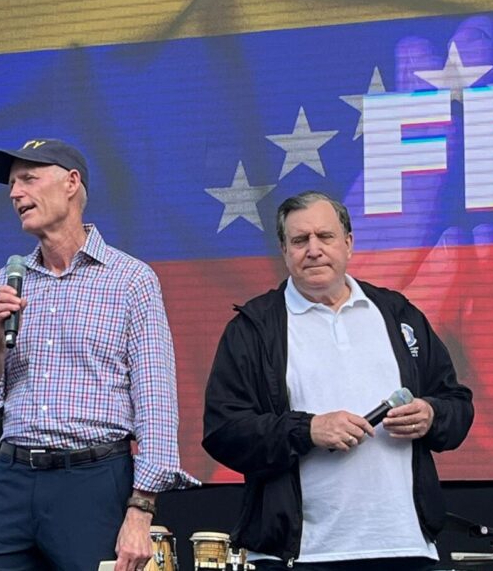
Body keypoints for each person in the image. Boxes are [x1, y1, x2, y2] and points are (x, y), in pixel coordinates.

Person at [0, 138, 198, 571]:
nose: (15, 193)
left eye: (28, 179)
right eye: (11, 184)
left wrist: (141, 511)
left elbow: (157, 402)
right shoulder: (5, 283)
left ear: (71, 183)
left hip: (93, 480)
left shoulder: (131, 280)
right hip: (11, 475)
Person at [202, 191, 474, 571]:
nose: (313, 249)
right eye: (300, 240)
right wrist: (307, 429)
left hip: (405, 547)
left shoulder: (399, 314)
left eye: (325, 237)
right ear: (284, 251)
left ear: (348, 243)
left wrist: (432, 415)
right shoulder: (254, 328)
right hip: (300, 555)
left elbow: (457, 403)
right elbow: (223, 430)